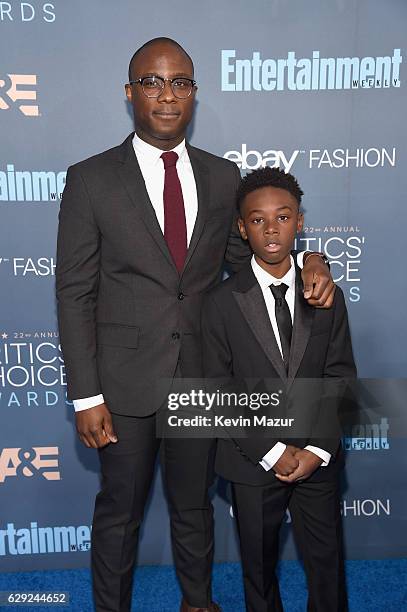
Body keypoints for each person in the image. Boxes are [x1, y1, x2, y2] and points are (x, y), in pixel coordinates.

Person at [56, 37, 335, 612]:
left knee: (194, 508)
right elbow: (75, 290)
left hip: (202, 381)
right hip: (122, 383)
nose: (167, 95)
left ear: (195, 95)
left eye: (180, 82)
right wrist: (86, 394)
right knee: (120, 514)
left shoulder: (222, 176)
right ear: (130, 92)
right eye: (153, 82)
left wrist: (312, 258)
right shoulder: (91, 180)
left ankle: (198, 603)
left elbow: (250, 266)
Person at [201, 167, 356, 612]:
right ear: (241, 227)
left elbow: (340, 377)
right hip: (253, 460)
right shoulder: (220, 303)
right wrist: (271, 450)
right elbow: (218, 390)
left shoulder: (326, 295)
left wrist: (317, 450)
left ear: (300, 222)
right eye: (257, 219)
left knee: (326, 564)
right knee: (259, 567)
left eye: (283, 217)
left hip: (317, 458)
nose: (271, 229)